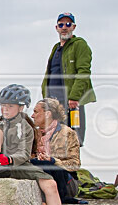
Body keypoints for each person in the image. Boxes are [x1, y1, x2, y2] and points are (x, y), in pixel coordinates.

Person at [41, 12, 96, 145]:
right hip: (53, 100)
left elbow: (83, 72)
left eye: (68, 24)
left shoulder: (79, 45)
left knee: (72, 137)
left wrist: (74, 97)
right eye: (61, 24)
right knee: (52, 137)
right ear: (56, 28)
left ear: (73, 27)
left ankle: (71, 165)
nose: (64, 27)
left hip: (70, 100)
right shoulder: (56, 48)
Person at [29, 98, 84, 204]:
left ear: (48, 114)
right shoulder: (32, 133)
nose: (32, 116)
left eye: (36, 112)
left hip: (65, 182)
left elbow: (75, 164)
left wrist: (53, 160)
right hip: (40, 175)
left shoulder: (67, 133)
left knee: (47, 164)